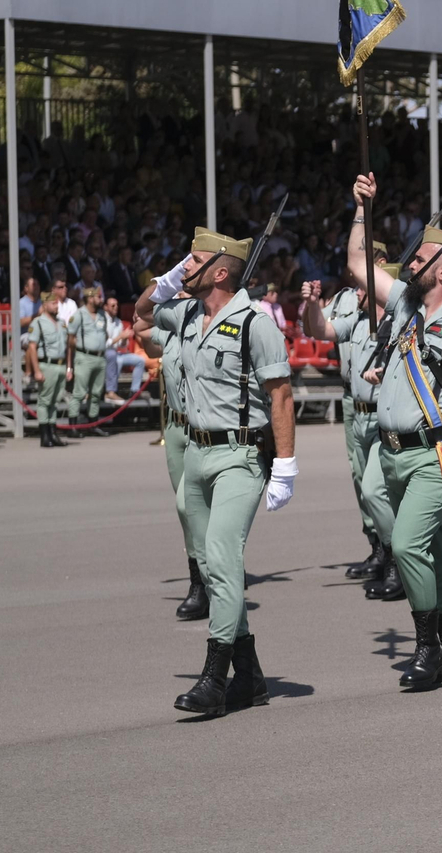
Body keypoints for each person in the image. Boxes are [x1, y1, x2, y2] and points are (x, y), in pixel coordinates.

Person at [136, 226, 298, 716]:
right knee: (210, 565)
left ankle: (216, 675)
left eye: (192, 261)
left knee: (224, 559)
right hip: (196, 454)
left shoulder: (255, 323)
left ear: (221, 271)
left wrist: (286, 464)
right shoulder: (185, 313)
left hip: (239, 455)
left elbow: (281, 397)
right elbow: (142, 314)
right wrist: (165, 282)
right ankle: (249, 677)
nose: (184, 267)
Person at [347, 172, 442, 690]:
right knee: (435, 547)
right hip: (393, 453)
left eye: (421, 258)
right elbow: (355, 264)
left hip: (439, 452)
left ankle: (428, 647)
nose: (410, 262)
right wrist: (362, 209)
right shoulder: (408, 306)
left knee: (408, 543)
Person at [302, 268, 398, 605]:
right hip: (358, 414)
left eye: (362, 289)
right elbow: (320, 329)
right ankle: (388, 555)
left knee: (375, 491)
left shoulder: (402, 324)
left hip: (387, 420)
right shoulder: (358, 321)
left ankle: (396, 560)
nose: (356, 294)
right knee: (366, 487)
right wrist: (312, 305)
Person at [135, 301, 207, 620]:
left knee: (187, 505)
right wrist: (165, 285)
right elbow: (138, 325)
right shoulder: (171, 334)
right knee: (188, 513)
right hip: (174, 428)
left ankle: (207, 578)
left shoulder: (204, 330)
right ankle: (200, 578)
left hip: (199, 430)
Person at [65, 287, 112, 436]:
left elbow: (105, 334)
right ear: (90, 298)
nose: (101, 299)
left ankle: (93, 424)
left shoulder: (101, 314)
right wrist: (70, 365)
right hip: (84, 356)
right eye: (98, 297)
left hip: (100, 357)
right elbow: (70, 338)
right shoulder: (79, 314)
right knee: (79, 393)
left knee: (96, 393)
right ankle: (72, 426)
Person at [26, 290, 70, 448]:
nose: (56, 306)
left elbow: (67, 347)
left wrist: (68, 367)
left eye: (57, 303)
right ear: (44, 305)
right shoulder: (38, 323)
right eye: (53, 303)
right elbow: (32, 347)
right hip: (47, 364)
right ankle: (45, 436)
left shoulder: (61, 323)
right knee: (45, 401)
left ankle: (53, 433)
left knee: (55, 401)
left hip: (60, 364)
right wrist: (36, 370)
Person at [101, 295, 144, 400]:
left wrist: (125, 338)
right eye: (112, 305)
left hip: (116, 353)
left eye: (117, 305)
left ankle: (134, 391)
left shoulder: (118, 322)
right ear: (105, 307)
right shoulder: (102, 321)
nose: (116, 307)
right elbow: (104, 344)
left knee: (140, 361)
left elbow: (122, 345)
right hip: (104, 354)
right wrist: (120, 336)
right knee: (116, 360)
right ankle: (111, 391)